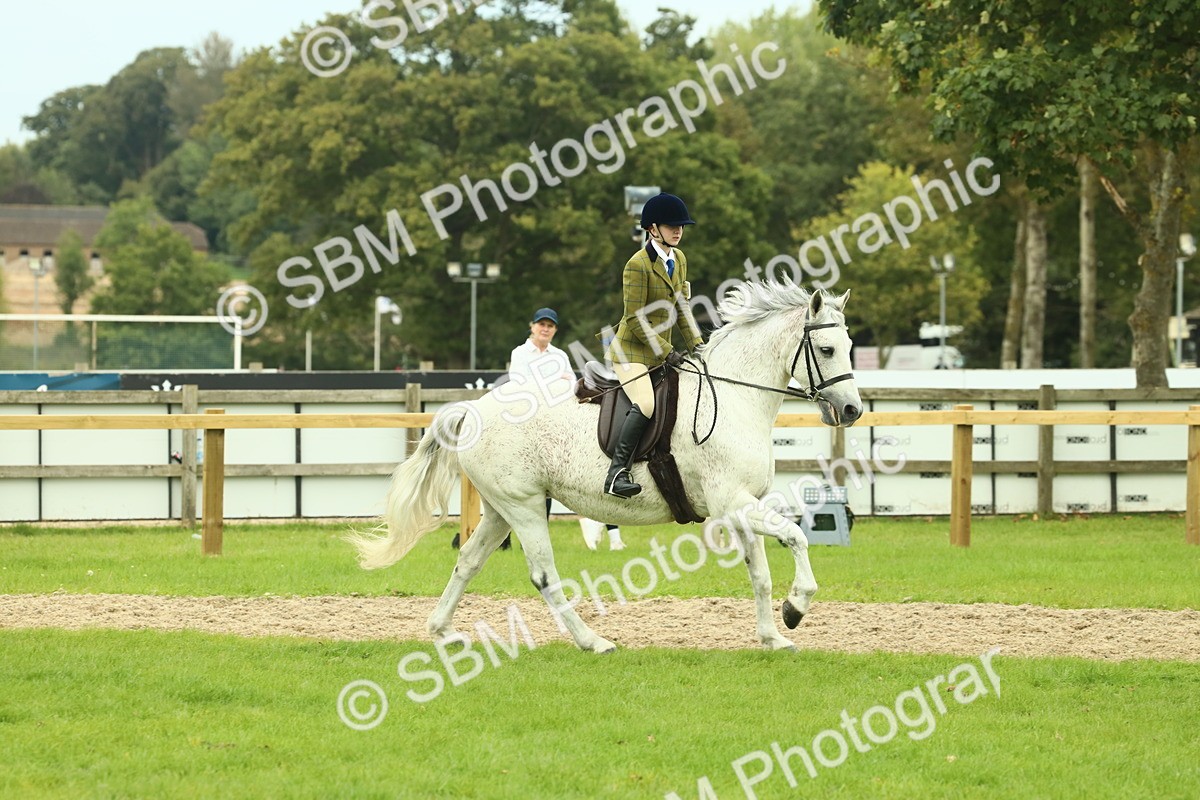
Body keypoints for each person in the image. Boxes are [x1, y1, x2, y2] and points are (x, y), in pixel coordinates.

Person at [601, 192, 704, 498]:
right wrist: (666, 350)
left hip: (660, 353)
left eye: (681, 226)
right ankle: (616, 473)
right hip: (630, 351)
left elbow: (682, 307)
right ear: (653, 229)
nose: (678, 231)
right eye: (672, 226)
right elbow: (633, 317)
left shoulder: (680, 259)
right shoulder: (637, 265)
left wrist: (699, 346)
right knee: (646, 404)